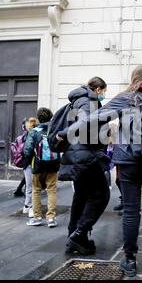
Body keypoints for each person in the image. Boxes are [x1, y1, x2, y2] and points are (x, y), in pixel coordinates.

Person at [58, 64, 142, 277]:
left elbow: (94, 118)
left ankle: (129, 260)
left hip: (129, 161)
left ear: (135, 78)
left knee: (131, 210)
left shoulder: (128, 97)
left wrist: (64, 132)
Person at [58, 77, 111, 255]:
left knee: (81, 197)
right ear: (98, 90)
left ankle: (73, 237)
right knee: (101, 195)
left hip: (77, 155)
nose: (104, 95)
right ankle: (79, 234)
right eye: (104, 91)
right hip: (87, 156)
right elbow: (85, 125)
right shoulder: (90, 103)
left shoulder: (77, 101)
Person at [23, 108, 60, 227]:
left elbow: (27, 150)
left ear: (39, 118)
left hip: (38, 165)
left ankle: (37, 217)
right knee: (51, 190)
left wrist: (31, 161)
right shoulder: (55, 130)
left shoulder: (34, 132)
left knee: (36, 190)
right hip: (53, 164)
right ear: (51, 117)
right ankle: (51, 218)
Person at [21, 117, 39, 217]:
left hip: (27, 163)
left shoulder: (25, 135)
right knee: (33, 186)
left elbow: (25, 151)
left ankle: (27, 206)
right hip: (32, 163)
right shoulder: (35, 134)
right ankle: (30, 206)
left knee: (29, 186)